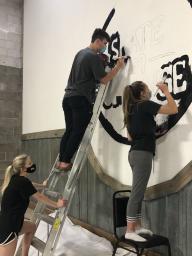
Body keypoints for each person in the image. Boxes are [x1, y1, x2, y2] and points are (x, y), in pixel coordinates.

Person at [57, 28, 125, 171]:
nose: (105, 47)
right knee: (78, 131)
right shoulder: (93, 56)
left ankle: (62, 160)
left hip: (68, 98)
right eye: (105, 43)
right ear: (98, 41)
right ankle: (65, 162)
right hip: (80, 99)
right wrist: (118, 67)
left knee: (69, 130)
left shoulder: (80, 53)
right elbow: (104, 79)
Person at [122, 81, 178, 242]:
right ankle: (130, 230)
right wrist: (166, 91)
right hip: (142, 154)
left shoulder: (131, 109)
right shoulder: (145, 104)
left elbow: (129, 137)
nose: (149, 91)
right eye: (147, 89)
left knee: (138, 192)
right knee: (137, 193)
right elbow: (173, 109)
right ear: (141, 93)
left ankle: (137, 226)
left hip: (134, 153)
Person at [0, 154, 65, 256]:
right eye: (29, 163)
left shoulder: (16, 179)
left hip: (14, 222)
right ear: (23, 168)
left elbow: (30, 184)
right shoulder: (22, 181)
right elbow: (40, 197)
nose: (32, 165)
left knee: (32, 227)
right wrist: (56, 204)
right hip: (8, 228)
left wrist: (42, 185)